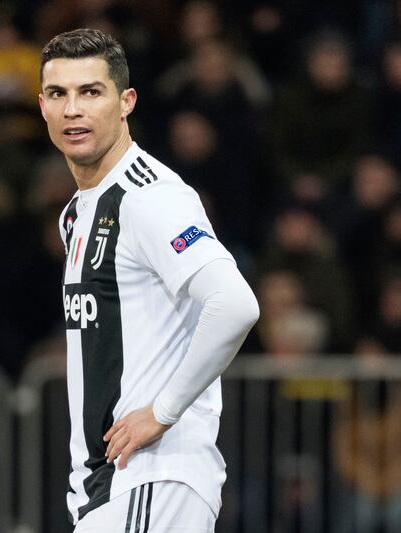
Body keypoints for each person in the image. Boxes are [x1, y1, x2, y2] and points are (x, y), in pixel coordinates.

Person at [37, 28, 259, 532]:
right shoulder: (75, 214)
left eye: (91, 92)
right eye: (59, 94)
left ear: (126, 102)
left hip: (155, 475)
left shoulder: (149, 197)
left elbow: (235, 303)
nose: (73, 109)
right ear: (43, 107)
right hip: (109, 486)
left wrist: (163, 411)